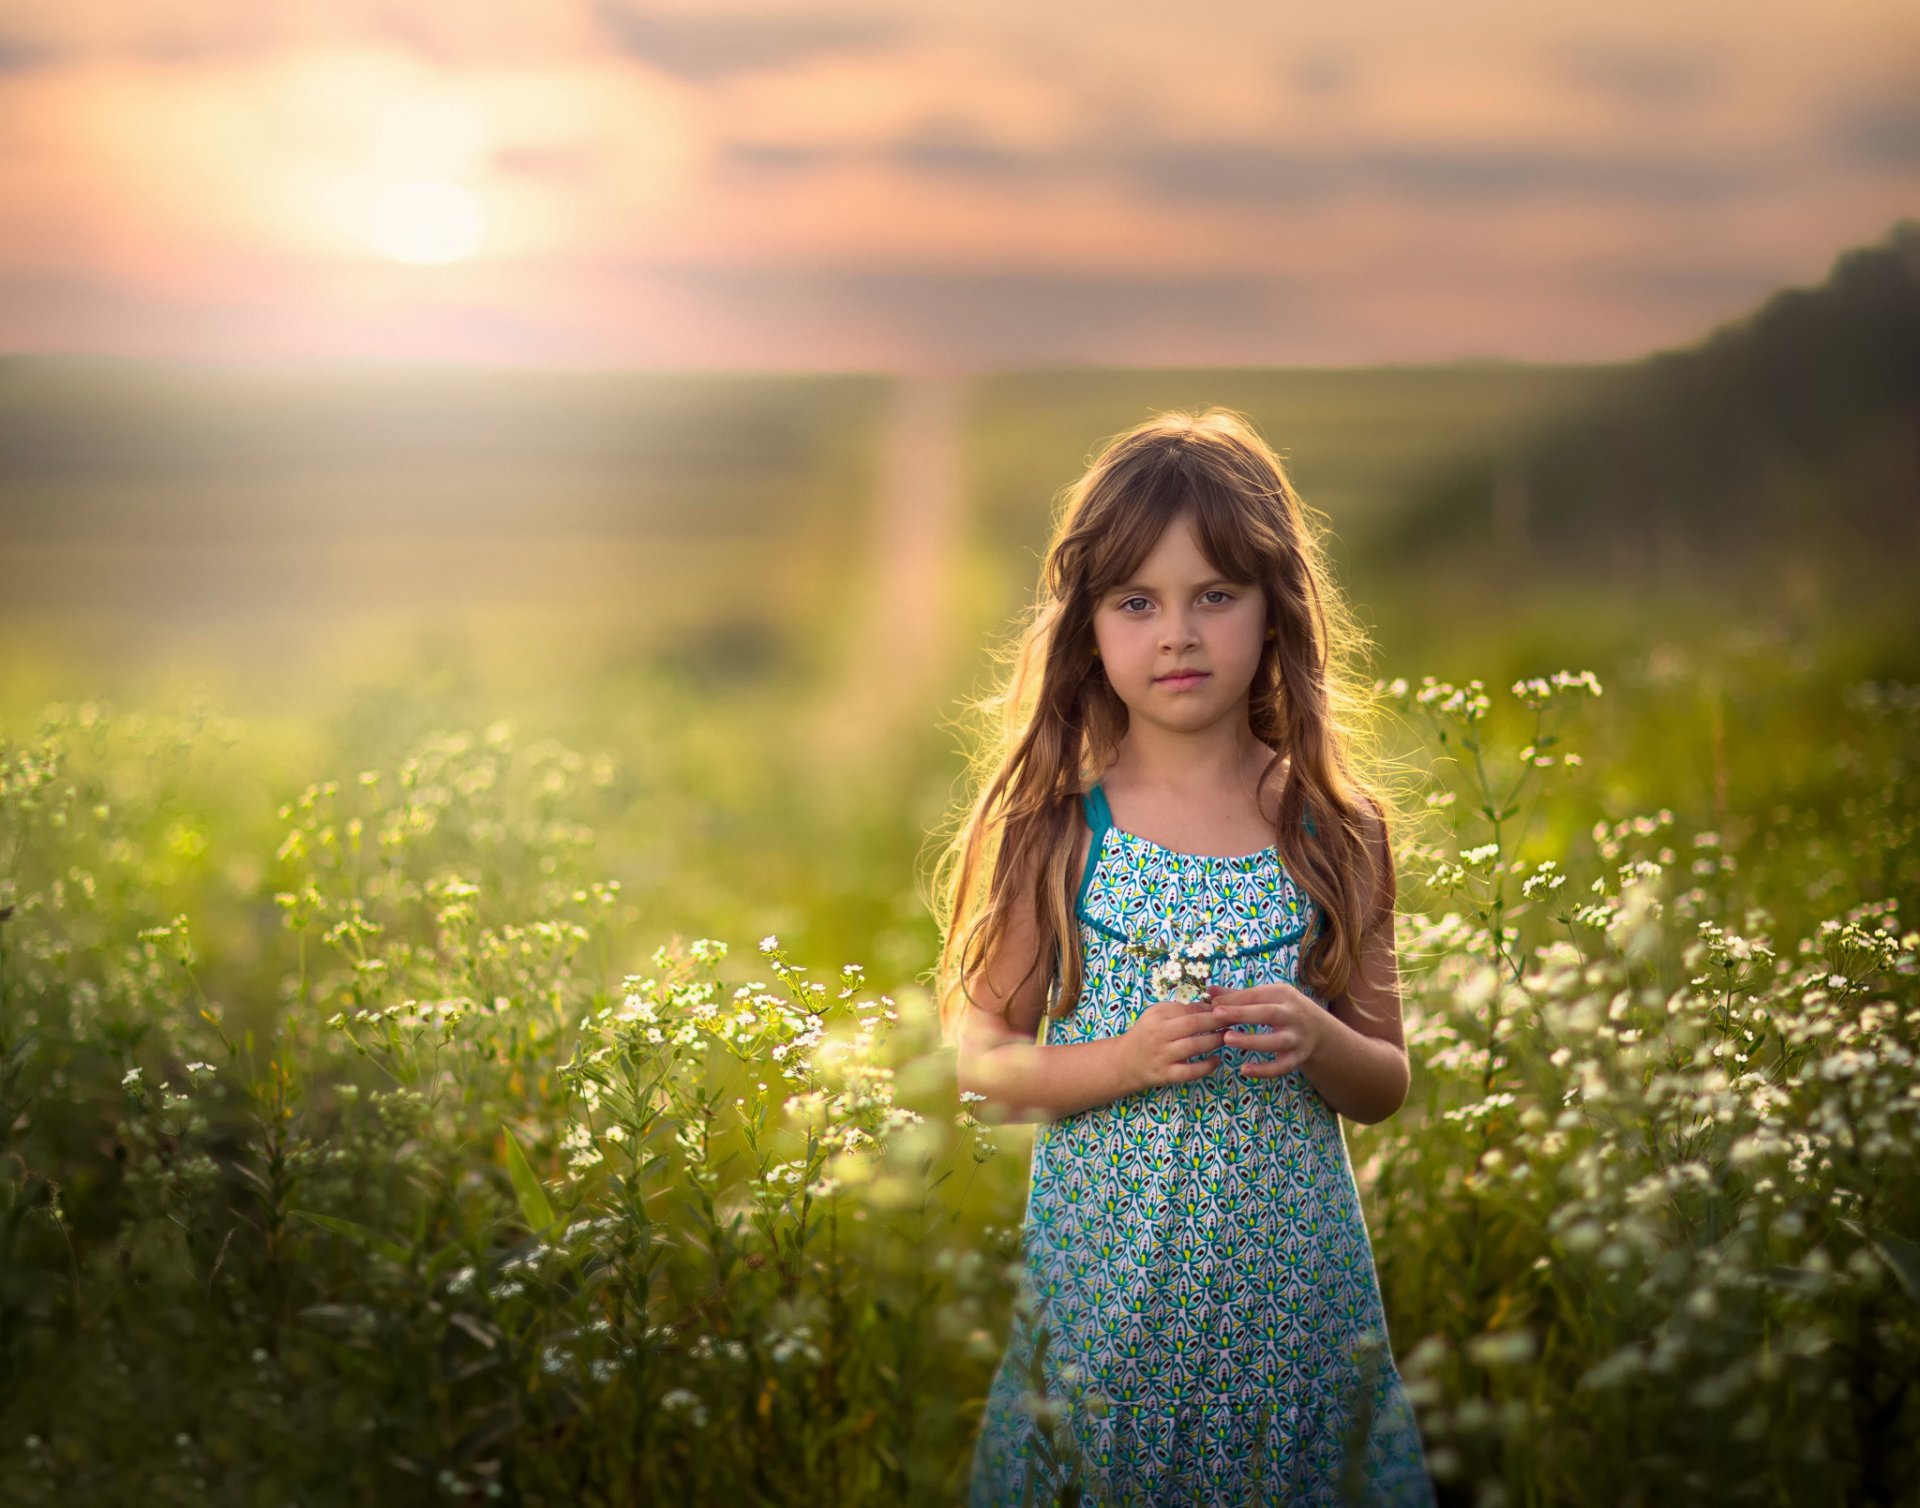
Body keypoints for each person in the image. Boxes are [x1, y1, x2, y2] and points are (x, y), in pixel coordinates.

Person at [931, 408, 1438, 1506]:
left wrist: (1320, 1038)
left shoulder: (1331, 826)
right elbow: (980, 1057)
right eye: (1137, 602)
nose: (1178, 633)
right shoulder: (1059, 824)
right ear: (1090, 628)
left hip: (1294, 1323)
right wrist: (1120, 1059)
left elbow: (1387, 1077)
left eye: (1215, 594)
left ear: (1274, 609)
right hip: (1108, 1321)